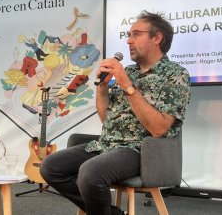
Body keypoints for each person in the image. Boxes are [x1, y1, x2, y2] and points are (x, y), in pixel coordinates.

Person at [40, 11, 191, 215]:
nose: (129, 41)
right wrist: (102, 87)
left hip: (141, 150)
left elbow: (159, 128)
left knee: (90, 173)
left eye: (136, 34)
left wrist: (127, 86)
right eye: (128, 35)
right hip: (107, 144)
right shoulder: (128, 72)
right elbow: (106, 119)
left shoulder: (175, 75)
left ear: (157, 38)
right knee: (51, 167)